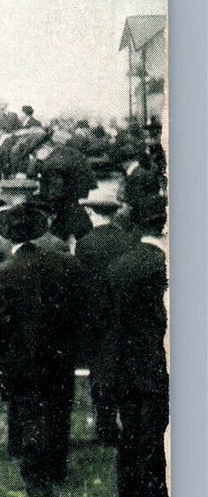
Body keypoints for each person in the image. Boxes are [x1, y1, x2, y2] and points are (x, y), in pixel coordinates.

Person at [0, 204, 92, 497]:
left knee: (30, 416)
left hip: (22, 360)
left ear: (8, 237)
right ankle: (56, 469)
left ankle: (37, 483)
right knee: (58, 411)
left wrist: (3, 356)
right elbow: (82, 307)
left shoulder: (3, 273)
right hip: (60, 355)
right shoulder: (66, 265)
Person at [105, 195, 168, 497]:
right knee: (158, 446)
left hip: (127, 369)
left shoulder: (120, 268)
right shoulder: (171, 266)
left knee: (130, 443)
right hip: (162, 369)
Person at [74, 186, 136, 446]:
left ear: (91, 211)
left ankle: (106, 426)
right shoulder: (128, 240)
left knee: (100, 373)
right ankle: (129, 424)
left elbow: (81, 284)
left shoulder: (85, 244)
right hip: (126, 315)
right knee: (126, 369)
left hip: (95, 317)